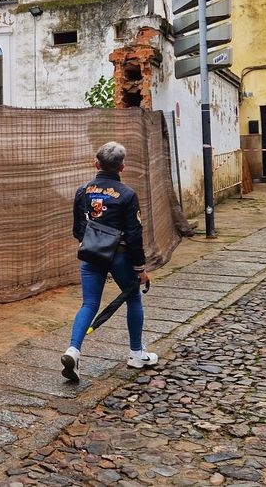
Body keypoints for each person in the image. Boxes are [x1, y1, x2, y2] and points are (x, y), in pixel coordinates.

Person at [62, 141, 158, 382]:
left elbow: (78, 228)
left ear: (96, 164)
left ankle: (73, 350)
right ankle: (136, 354)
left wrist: (91, 244)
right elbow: (134, 234)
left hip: (91, 253)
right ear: (122, 167)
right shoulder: (127, 195)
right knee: (133, 297)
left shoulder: (82, 190)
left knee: (89, 303)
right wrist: (140, 268)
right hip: (121, 256)